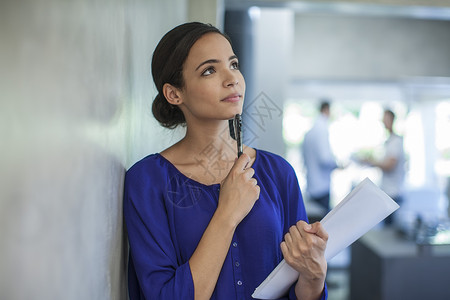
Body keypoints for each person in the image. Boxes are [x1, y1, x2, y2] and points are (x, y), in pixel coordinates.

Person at [123, 22, 328, 300]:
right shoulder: (147, 182)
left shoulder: (278, 173)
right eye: (209, 70)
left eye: (233, 64)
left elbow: (296, 285)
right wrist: (227, 213)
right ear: (174, 93)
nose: (232, 78)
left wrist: (314, 276)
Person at [364, 109, 405, 225]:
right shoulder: (389, 141)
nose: (383, 121)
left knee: (389, 230)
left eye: (385, 118)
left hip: (394, 192)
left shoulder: (396, 141)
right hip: (387, 191)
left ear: (391, 120)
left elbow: (390, 165)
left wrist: (372, 162)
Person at [302, 101, 339, 213]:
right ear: (327, 110)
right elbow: (325, 159)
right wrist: (337, 165)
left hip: (312, 184)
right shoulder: (322, 130)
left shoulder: (310, 131)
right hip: (321, 186)